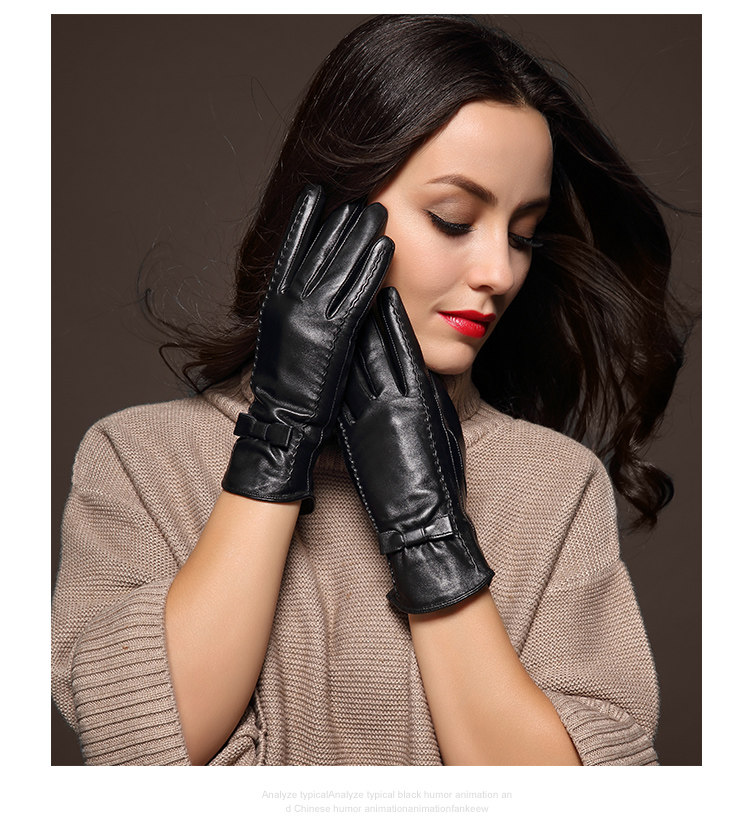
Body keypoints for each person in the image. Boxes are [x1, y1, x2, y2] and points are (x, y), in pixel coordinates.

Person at [51, 14, 689, 766]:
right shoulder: (139, 459)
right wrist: (279, 434)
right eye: (453, 219)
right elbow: (145, 758)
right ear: (334, 217)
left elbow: (574, 807)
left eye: (522, 235)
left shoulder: (554, 485)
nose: (499, 272)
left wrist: (428, 530)